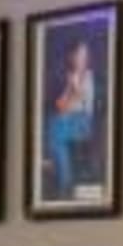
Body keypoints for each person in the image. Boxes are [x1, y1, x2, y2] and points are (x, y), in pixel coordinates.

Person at [45, 39, 103, 203]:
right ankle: (65, 181)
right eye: (79, 54)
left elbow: (84, 103)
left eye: (84, 54)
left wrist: (73, 90)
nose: (82, 58)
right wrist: (70, 88)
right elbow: (60, 105)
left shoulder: (91, 76)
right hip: (69, 121)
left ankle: (59, 173)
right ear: (71, 57)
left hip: (85, 122)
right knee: (54, 126)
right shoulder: (69, 77)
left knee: (54, 128)